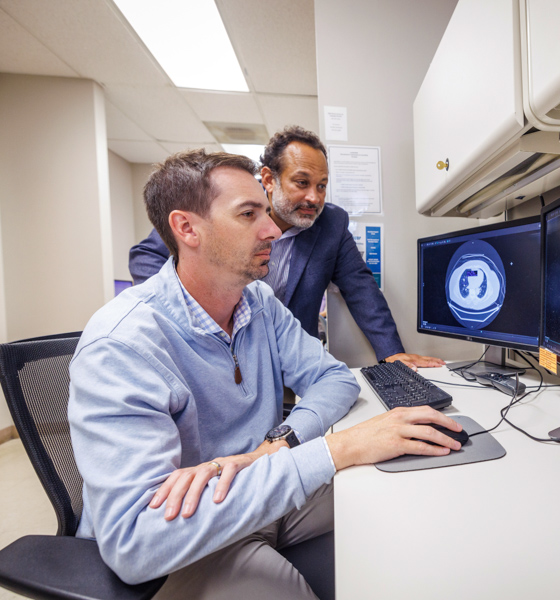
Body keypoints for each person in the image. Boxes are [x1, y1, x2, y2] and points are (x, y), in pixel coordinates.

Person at [68, 149, 463, 599]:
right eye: (248, 213)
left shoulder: (256, 301)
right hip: (188, 537)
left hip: (260, 487)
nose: (273, 228)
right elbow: (136, 541)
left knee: (405, 500)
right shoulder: (121, 346)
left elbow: (335, 379)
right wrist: (338, 448)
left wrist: (276, 447)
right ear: (186, 229)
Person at [130, 126, 442, 370]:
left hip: (290, 360)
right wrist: (184, 317)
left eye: (321, 185)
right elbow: (147, 256)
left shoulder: (331, 224)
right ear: (268, 179)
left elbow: (361, 289)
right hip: (218, 352)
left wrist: (392, 353)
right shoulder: (225, 214)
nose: (314, 198)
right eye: (302, 182)